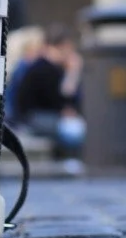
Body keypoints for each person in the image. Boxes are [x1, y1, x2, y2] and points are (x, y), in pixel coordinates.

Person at [13, 23, 84, 158]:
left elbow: (72, 100)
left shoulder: (58, 68)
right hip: (33, 118)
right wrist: (72, 74)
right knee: (74, 132)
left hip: (48, 117)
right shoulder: (42, 68)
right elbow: (58, 99)